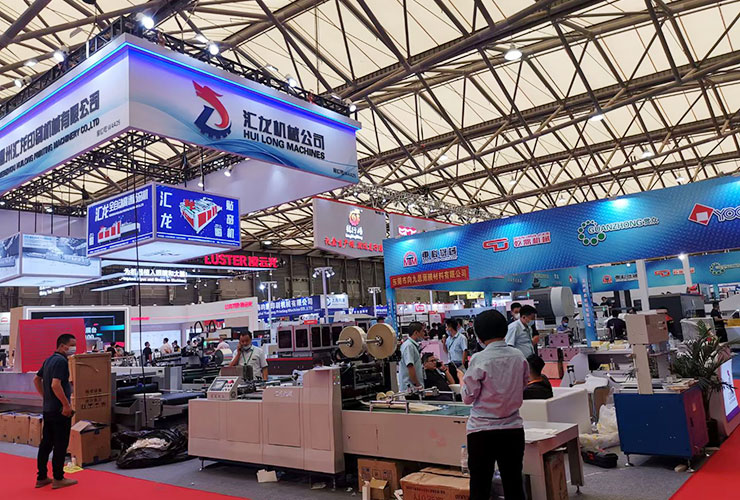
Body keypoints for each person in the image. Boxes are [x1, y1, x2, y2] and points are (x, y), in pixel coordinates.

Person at [462, 310, 528, 500]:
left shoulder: (479, 359)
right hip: (513, 428)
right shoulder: (518, 356)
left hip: (481, 431)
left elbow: (468, 397)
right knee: (514, 483)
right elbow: (523, 384)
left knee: (480, 485)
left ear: (479, 335)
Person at [33, 334, 78, 490]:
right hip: (59, 410)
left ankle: (42, 477)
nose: (73, 348)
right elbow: (55, 384)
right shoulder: (61, 361)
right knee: (60, 444)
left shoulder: (49, 360)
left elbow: (36, 379)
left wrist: (45, 397)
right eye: (72, 345)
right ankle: (58, 478)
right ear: (62, 346)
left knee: (46, 443)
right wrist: (66, 405)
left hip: (48, 409)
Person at [399, 322, 424, 395]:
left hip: (414, 388)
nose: (424, 333)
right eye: (422, 331)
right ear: (416, 332)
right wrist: (417, 384)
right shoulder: (409, 346)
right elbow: (410, 367)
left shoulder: (412, 345)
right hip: (411, 389)